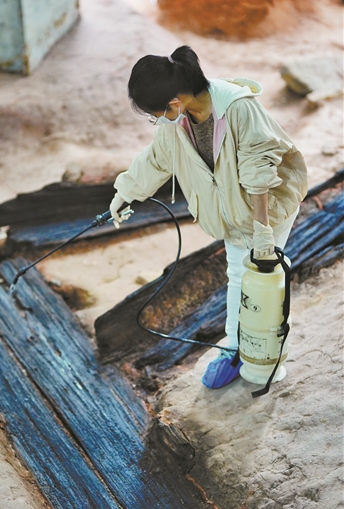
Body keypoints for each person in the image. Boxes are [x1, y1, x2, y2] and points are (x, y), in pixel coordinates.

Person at [109, 45, 308, 382]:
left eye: (155, 114)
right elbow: (156, 159)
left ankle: (263, 359)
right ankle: (235, 350)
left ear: (174, 102)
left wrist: (263, 232)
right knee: (238, 274)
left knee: (262, 279)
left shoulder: (238, 109)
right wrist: (124, 193)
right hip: (232, 209)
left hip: (267, 204)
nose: (157, 121)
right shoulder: (178, 122)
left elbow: (259, 173)